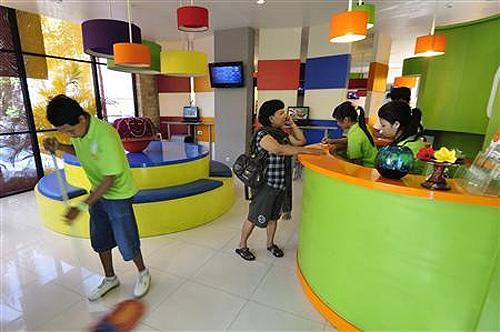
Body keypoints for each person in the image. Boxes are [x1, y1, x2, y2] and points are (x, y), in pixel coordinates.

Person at [43, 95, 150, 301]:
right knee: (100, 238)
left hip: (118, 194)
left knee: (126, 239)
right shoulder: (79, 131)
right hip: (97, 192)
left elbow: (110, 180)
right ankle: (110, 278)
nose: (69, 134)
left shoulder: (105, 135)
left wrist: (81, 206)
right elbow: (80, 152)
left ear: (82, 119)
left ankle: (143, 272)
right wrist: (59, 147)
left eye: (70, 130)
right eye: (64, 131)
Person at [235, 100, 322, 261]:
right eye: (281, 113)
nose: (285, 115)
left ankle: (270, 244)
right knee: (254, 217)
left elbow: (300, 141)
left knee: (274, 217)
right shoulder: (262, 134)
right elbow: (278, 149)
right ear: (270, 117)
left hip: (280, 183)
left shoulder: (281, 133)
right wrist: (308, 152)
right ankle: (242, 246)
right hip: (265, 185)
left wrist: (292, 124)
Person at [323, 101, 378, 168]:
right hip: (375, 164)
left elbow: (355, 166)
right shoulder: (361, 126)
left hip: (368, 169)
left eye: (337, 121)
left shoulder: (354, 135)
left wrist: (334, 154)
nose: (337, 124)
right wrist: (332, 141)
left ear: (346, 119)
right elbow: (350, 140)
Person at [378, 101, 426, 173]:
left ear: (396, 124)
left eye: (383, 125)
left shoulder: (404, 150)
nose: (381, 129)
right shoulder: (413, 141)